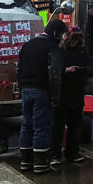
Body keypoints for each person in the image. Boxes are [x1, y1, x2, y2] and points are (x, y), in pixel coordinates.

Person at [17, 19, 67, 174]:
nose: (62, 38)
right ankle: (40, 163)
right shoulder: (51, 48)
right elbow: (55, 75)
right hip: (41, 91)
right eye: (62, 34)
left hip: (25, 90)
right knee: (41, 127)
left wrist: (21, 89)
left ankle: (26, 161)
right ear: (56, 33)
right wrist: (56, 98)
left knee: (27, 124)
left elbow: (18, 69)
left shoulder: (27, 45)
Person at [49, 27, 90, 166]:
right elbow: (53, 71)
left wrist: (82, 71)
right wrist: (66, 70)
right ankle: (55, 154)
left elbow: (89, 68)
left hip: (76, 92)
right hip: (62, 93)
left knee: (74, 125)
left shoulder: (81, 52)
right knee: (58, 125)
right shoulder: (59, 51)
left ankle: (72, 153)